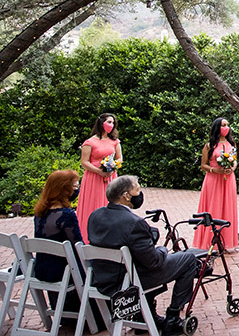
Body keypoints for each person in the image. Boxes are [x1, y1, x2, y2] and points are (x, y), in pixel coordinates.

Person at [87, 176, 200, 336]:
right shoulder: (134, 223)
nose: (140, 194)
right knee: (187, 259)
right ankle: (173, 319)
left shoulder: (95, 216)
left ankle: (144, 316)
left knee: (149, 261)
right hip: (128, 282)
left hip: (103, 278)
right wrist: (162, 249)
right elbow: (153, 262)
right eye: (137, 190)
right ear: (126, 196)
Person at [33, 170, 84, 325]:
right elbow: (78, 246)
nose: (77, 190)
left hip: (43, 268)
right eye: (75, 186)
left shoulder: (40, 213)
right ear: (64, 189)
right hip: (62, 272)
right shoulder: (66, 214)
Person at [192, 117, 239, 250]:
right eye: (223, 125)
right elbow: (203, 165)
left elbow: (235, 160)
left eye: (227, 125)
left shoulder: (232, 144)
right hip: (213, 180)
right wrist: (216, 170)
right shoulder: (209, 146)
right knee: (214, 206)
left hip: (228, 180)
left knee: (227, 207)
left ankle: (226, 242)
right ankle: (208, 242)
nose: (226, 127)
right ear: (217, 127)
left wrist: (232, 168)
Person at [77, 112, 123, 242]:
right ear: (101, 123)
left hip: (110, 177)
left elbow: (120, 158)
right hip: (93, 177)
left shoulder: (115, 142)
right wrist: (99, 171)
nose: (111, 125)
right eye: (109, 122)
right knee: (93, 203)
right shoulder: (90, 142)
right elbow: (84, 162)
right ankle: (87, 234)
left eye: (113, 123)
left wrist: (113, 167)